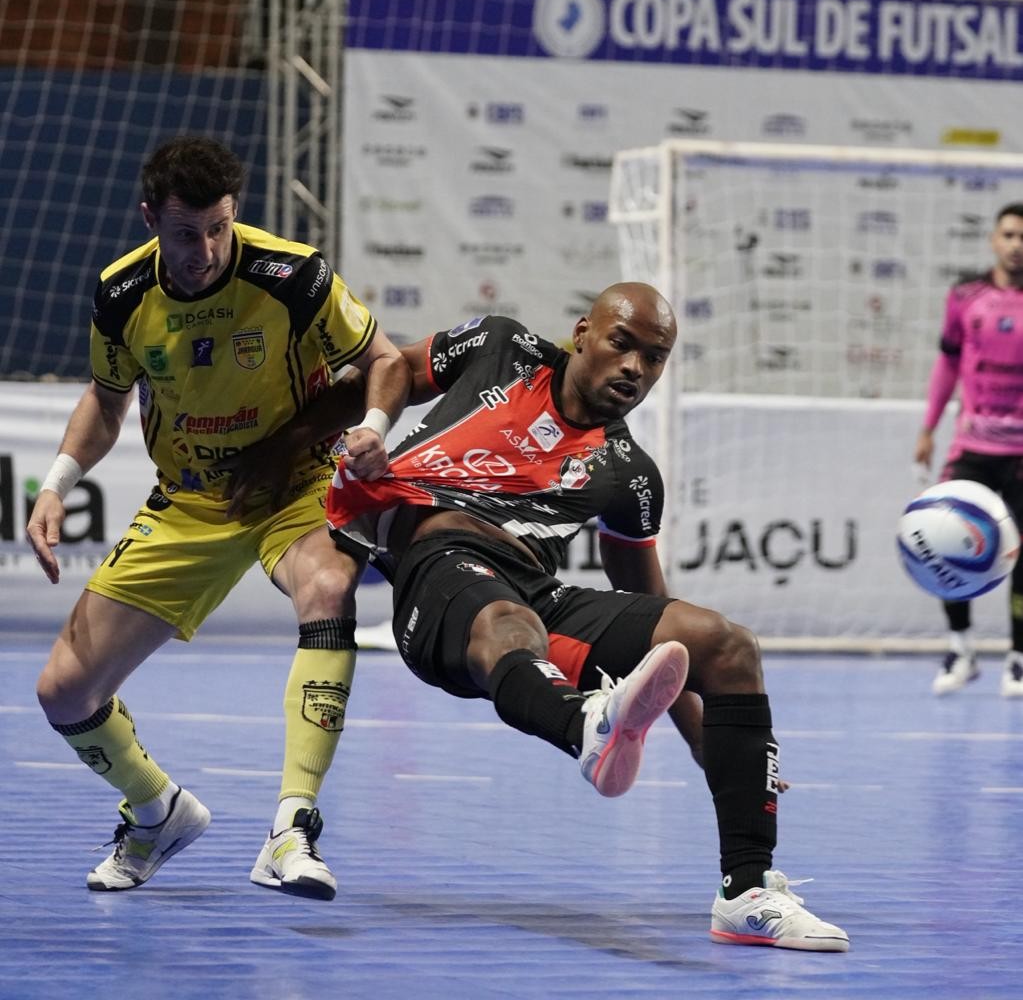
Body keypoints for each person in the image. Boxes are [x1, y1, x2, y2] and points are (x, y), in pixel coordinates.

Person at [316, 284, 849, 951]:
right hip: (439, 575)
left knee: (726, 644)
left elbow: (658, 625)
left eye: (653, 359)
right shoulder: (501, 348)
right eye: (621, 344)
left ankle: (746, 891)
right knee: (510, 624)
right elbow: (390, 368)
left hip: (534, 592)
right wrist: (310, 438)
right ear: (582, 334)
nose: (634, 368)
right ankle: (585, 724)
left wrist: (701, 739)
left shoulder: (627, 474)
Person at [26, 135, 410, 899]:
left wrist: (371, 426)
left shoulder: (291, 275)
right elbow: (106, 399)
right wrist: (57, 483)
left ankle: (292, 828)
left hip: (293, 486)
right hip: (192, 501)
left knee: (329, 592)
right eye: (185, 233)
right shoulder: (122, 293)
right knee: (63, 693)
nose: (205, 249)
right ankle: (156, 810)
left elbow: (387, 361)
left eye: (218, 227)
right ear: (149, 221)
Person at [914, 203, 1023, 697]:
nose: (1017, 244)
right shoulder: (966, 297)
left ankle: (1018, 659)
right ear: (994, 240)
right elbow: (947, 366)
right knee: (941, 543)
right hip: (972, 449)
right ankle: (961, 648)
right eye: (1010, 234)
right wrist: (929, 428)